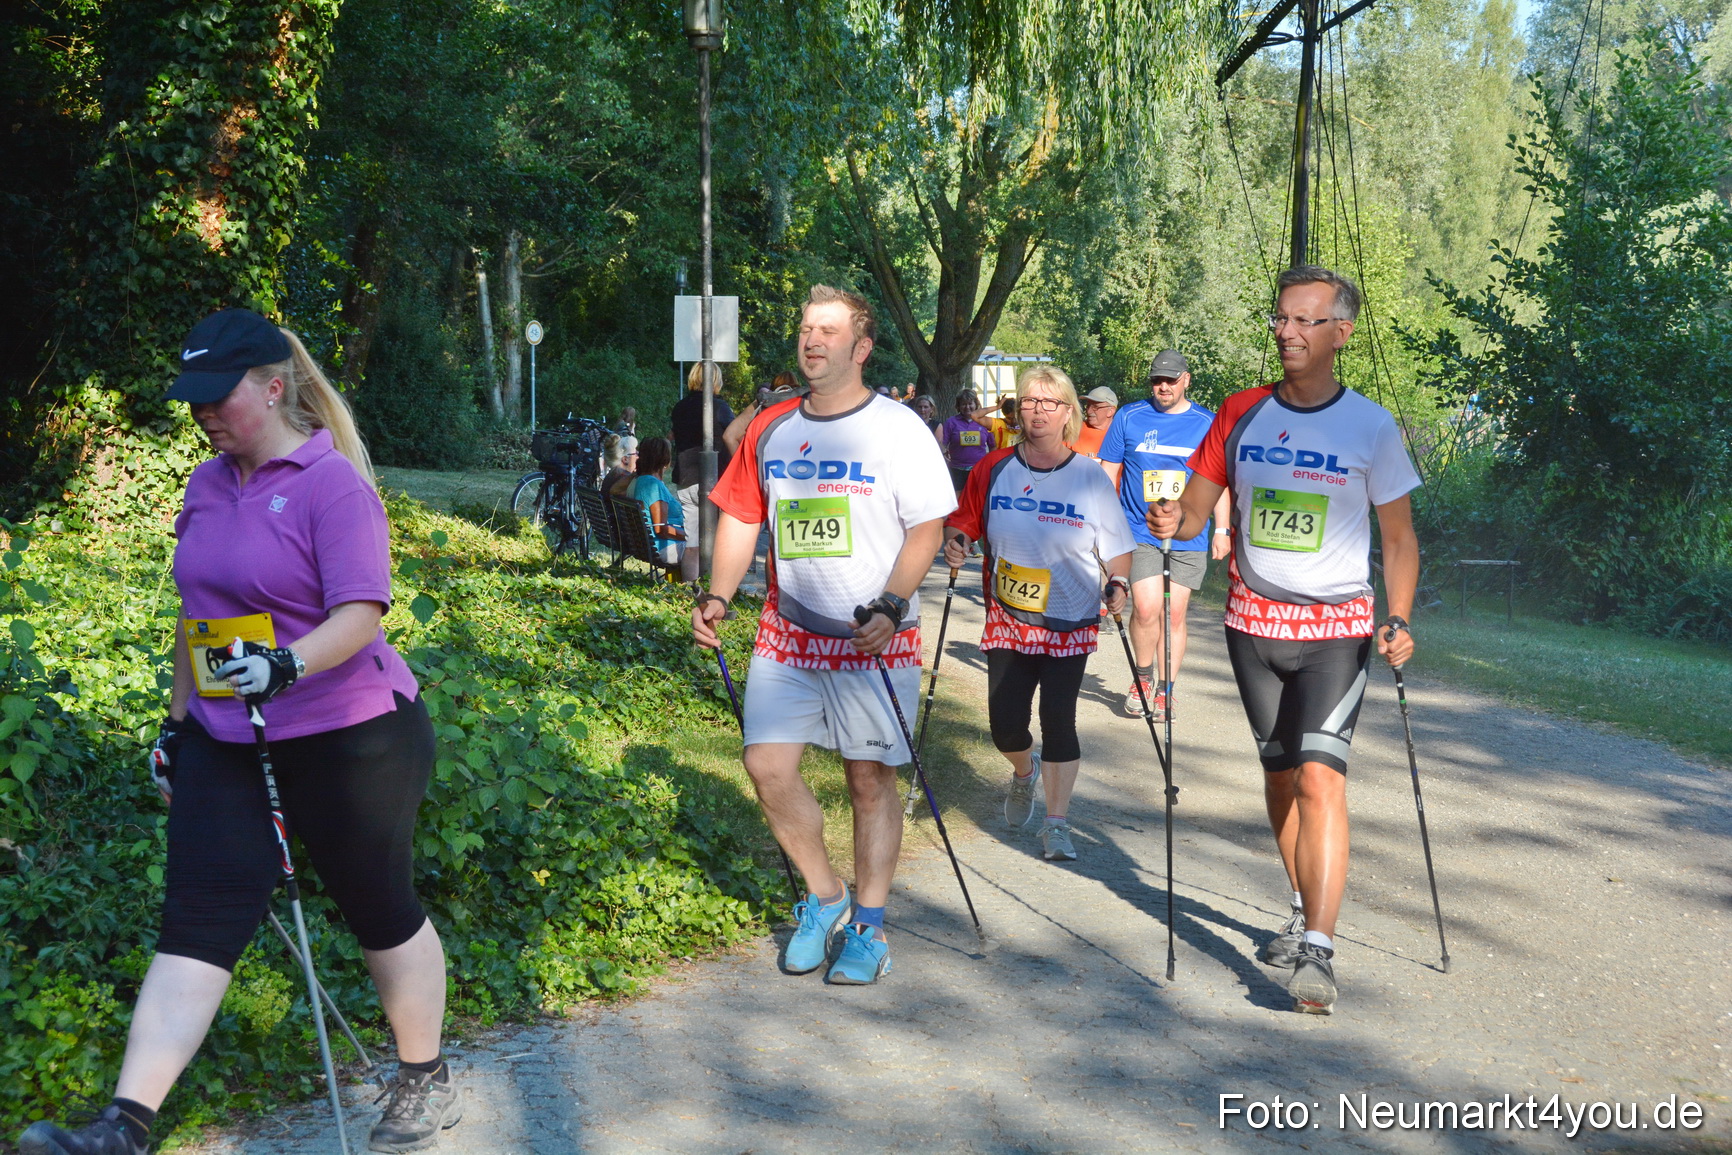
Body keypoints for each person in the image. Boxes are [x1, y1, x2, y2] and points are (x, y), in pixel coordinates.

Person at [19, 310, 459, 1155]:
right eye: (193, 402)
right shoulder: (207, 482)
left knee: (377, 905)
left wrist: (287, 665)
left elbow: (361, 613)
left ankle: (422, 1073)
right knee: (198, 915)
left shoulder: (334, 486)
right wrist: (176, 725)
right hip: (230, 734)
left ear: (273, 385)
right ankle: (126, 1124)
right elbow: (200, 612)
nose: (204, 415)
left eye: (218, 399)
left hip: (353, 733)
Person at [1148, 265, 1421, 1016]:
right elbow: (1198, 509)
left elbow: (1399, 540)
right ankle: (1303, 905)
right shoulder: (1239, 412)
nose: (1287, 332)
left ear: (1341, 331)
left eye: (1305, 320)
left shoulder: (1369, 424)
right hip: (1252, 624)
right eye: (1280, 318)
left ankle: (1321, 949)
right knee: (1278, 776)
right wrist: (1177, 521)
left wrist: (1396, 616)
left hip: (1335, 629)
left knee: (1320, 777)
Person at [691, 284, 953, 986]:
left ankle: (868, 925)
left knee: (868, 780)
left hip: (873, 635)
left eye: (829, 331)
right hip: (789, 631)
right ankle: (826, 895)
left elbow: (927, 527)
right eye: (807, 328)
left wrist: (893, 604)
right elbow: (744, 516)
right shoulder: (772, 426)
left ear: (861, 348)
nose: (812, 340)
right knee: (766, 765)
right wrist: (717, 594)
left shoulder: (899, 429)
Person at [943, 366, 1133, 862]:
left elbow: (1117, 546)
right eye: (1029, 402)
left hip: (1068, 617)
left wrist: (1119, 581)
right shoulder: (994, 467)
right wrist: (959, 539)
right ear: (1017, 408)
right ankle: (1023, 773)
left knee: (1058, 719)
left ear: (1068, 412)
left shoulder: (1090, 477)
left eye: (1050, 403)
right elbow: (967, 516)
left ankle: (1057, 824)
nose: (1038, 411)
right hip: (1008, 613)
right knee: (1005, 724)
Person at [1098, 350, 1232, 721]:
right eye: (1157, 380)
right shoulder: (1129, 416)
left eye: (1170, 380)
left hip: (1189, 533)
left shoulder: (1208, 422)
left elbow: (1217, 483)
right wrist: (1105, 525)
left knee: (1174, 614)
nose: (1163, 387)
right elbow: (1109, 472)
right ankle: (1142, 678)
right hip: (1138, 530)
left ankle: (1165, 690)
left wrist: (1221, 528)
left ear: (1186, 380)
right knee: (1145, 608)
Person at [624, 436, 694, 580]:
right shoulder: (653, 485)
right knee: (709, 546)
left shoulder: (641, 480)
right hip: (662, 547)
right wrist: (692, 536)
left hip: (649, 545)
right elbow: (661, 529)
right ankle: (698, 588)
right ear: (665, 460)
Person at [670, 361, 735, 486]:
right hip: (714, 477)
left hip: (685, 479)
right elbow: (734, 434)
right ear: (716, 380)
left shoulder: (680, 407)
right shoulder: (719, 407)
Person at [939, 390, 996, 491]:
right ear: (958, 406)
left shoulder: (985, 422)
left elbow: (993, 446)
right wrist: (944, 455)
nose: (967, 407)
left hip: (979, 470)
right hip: (957, 470)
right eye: (963, 404)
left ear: (976, 404)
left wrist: (990, 463)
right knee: (959, 501)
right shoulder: (951, 422)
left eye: (970, 403)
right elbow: (943, 443)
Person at [1070, 386, 1118, 463]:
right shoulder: (1074, 431)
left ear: (1111, 411)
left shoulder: (1121, 434)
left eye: (1095, 407)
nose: (1089, 411)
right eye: (1088, 406)